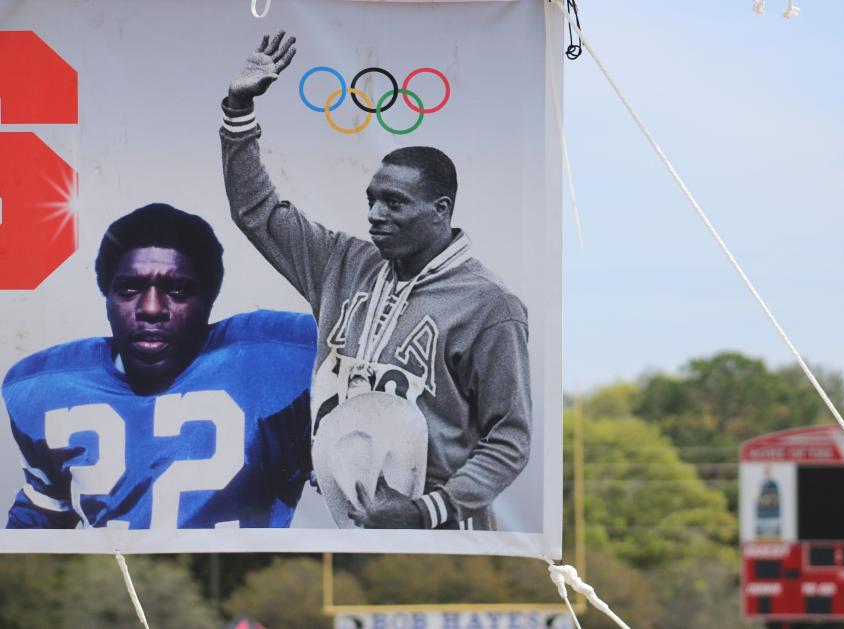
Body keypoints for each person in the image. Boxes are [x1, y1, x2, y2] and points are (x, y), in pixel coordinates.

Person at [220, 31, 531, 530]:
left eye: (395, 203)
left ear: (440, 210)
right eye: (371, 200)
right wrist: (238, 111)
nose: (375, 215)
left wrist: (426, 509)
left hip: (442, 535)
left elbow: (510, 437)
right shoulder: (341, 263)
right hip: (346, 525)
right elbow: (256, 212)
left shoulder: (490, 306)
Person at [4, 203, 316, 529]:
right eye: (129, 289)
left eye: (177, 290)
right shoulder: (48, 388)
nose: (151, 308)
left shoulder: (276, 358)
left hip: (238, 579)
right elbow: (33, 534)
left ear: (208, 299)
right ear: (107, 296)